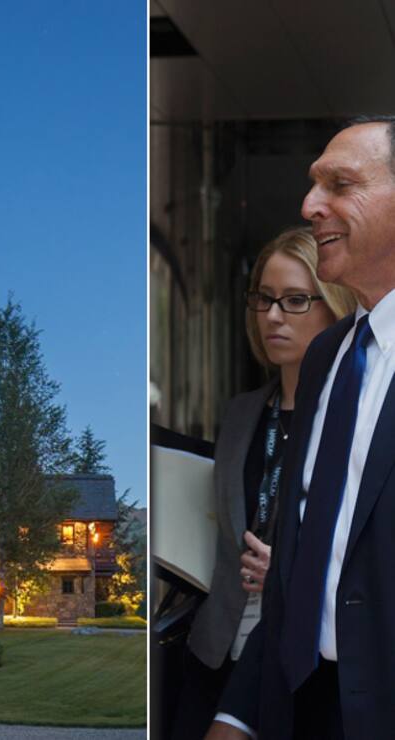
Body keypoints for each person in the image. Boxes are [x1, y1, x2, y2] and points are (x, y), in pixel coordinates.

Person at [206, 116, 395, 740]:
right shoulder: (328, 360)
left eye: (340, 184)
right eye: (314, 185)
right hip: (304, 706)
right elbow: (300, 572)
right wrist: (237, 715)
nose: (311, 205)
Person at [170, 228, 355, 740]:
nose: (273, 316)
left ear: (336, 306)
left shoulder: (355, 418)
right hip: (216, 646)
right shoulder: (242, 413)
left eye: (295, 300)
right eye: (264, 298)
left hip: (300, 655)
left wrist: (294, 568)